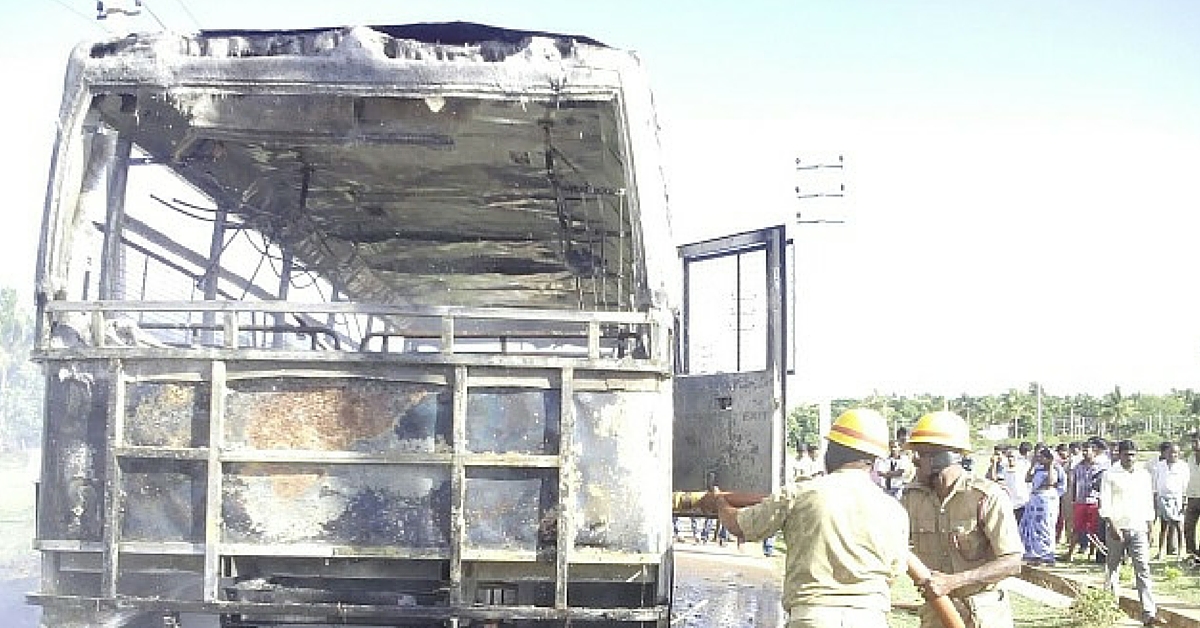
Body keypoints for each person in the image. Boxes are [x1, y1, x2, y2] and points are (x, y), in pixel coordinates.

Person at [712, 408, 910, 628]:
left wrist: (720, 502)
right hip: (870, 618)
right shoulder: (894, 511)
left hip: (814, 616)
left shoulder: (801, 493)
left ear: (832, 451)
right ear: (873, 460)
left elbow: (740, 526)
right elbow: (894, 571)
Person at [902, 411, 1023, 628]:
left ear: (943, 457)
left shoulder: (986, 496)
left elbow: (1012, 562)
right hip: (937, 613)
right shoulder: (912, 498)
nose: (915, 462)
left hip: (983, 615)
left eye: (920, 454)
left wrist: (954, 581)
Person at [1100, 440, 1158, 626]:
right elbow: (1105, 502)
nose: (1130, 458)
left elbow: (1148, 501)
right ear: (1119, 454)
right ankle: (1110, 605)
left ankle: (1148, 611)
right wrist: (1112, 524)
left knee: (1142, 569)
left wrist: (1150, 526)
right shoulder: (1110, 474)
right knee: (1113, 567)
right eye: (1126, 454)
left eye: (1133, 455)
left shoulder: (1143, 475)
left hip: (1138, 526)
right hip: (1117, 528)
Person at [1065, 437, 1109, 562]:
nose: (1085, 453)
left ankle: (1092, 554)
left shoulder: (1100, 467)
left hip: (1094, 501)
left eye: (1087, 451)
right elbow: (1074, 484)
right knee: (1077, 528)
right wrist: (1073, 499)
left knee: (1093, 530)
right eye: (1083, 451)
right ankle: (1070, 554)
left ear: (1094, 451)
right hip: (1080, 501)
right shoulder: (1078, 467)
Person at [1019, 446, 1062, 565]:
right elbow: (1027, 479)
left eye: (1042, 457)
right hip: (1035, 500)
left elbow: (1051, 482)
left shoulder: (1055, 469)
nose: (1039, 459)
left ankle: (1046, 553)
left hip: (1046, 500)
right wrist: (1032, 465)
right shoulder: (1037, 468)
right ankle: (1033, 553)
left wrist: (1051, 465)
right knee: (1031, 527)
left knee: (1044, 526)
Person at [1151, 441, 1189, 560]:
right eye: (1171, 452)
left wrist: (1184, 499)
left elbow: (1185, 483)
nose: (1173, 455)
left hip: (1177, 498)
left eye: (1176, 453)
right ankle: (1161, 551)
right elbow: (1155, 482)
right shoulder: (1159, 465)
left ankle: (1181, 551)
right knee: (1164, 526)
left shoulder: (1183, 466)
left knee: (1179, 525)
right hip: (1162, 497)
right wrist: (1155, 496)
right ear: (1166, 453)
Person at [1182, 433, 1200, 564]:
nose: (1195, 444)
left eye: (1197, 441)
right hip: (1192, 497)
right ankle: (1192, 553)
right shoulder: (1190, 458)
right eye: (1193, 442)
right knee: (1188, 527)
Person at [1003, 446, 1031, 523]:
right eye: (1008, 456)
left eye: (1012, 456)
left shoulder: (1025, 468)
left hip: (1023, 504)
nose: (1010, 459)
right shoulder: (1004, 469)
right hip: (1009, 505)